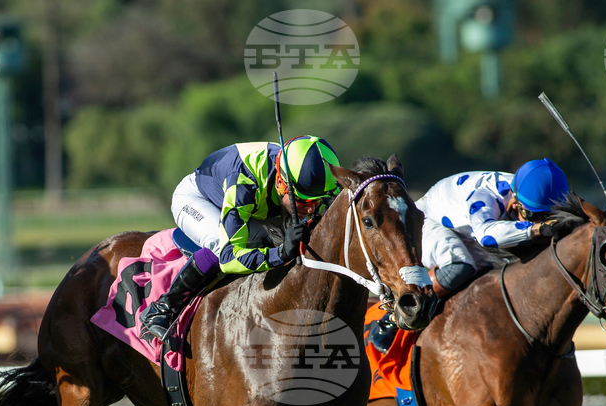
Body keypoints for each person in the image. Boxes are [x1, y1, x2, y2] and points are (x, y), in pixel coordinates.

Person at [140, 135, 341, 340]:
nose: (311, 208)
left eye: (318, 201)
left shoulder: (317, 178)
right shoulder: (244, 183)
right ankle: (163, 309)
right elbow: (229, 258)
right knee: (219, 246)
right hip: (199, 199)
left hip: (253, 207)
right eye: (303, 202)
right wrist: (279, 253)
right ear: (281, 183)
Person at [368, 158, 569, 353]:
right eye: (534, 216)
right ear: (515, 200)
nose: (542, 221)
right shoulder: (485, 195)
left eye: (548, 217)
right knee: (461, 266)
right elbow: (486, 236)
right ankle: (394, 317)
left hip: (465, 230)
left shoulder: (526, 193)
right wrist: (536, 229)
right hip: (430, 221)